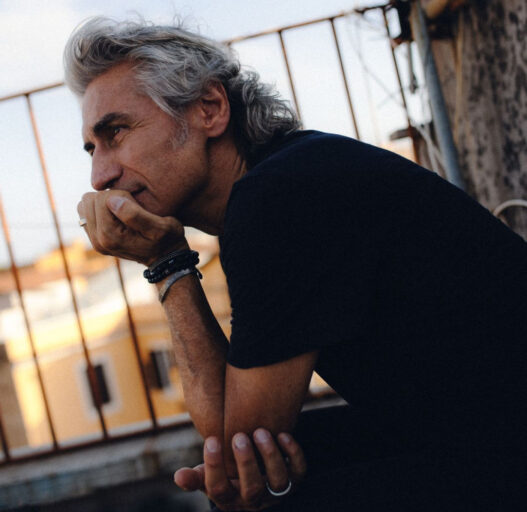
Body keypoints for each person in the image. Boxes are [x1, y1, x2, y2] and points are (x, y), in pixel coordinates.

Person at [65, 16, 527, 511]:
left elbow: (234, 439)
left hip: (501, 440)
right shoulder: (283, 179)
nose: (100, 176)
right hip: (470, 426)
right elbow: (236, 449)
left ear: (209, 109)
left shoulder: (278, 199)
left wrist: (166, 262)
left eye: (116, 132)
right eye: (92, 148)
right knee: (271, 470)